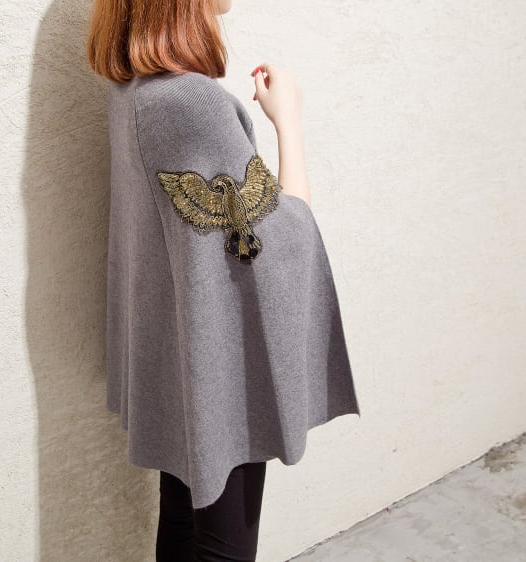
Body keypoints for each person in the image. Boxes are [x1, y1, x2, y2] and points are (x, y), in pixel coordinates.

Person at [86, 1, 361, 560]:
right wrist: (288, 120)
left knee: (183, 522)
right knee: (224, 545)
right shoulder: (191, 103)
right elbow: (282, 234)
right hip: (220, 365)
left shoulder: (132, 91)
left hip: (176, 354)